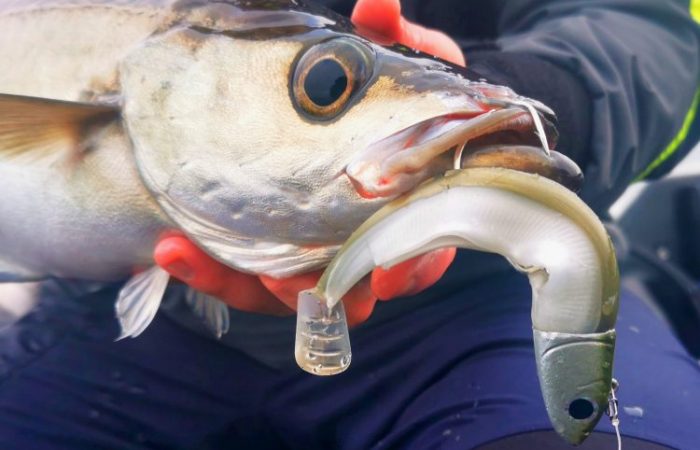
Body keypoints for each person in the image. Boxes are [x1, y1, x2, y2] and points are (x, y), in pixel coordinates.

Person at [1, 0, 699, 449]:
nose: (327, 91)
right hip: (127, 332)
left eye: (325, 86)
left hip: (482, 305)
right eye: (326, 86)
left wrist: (538, 102)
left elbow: (658, 35)